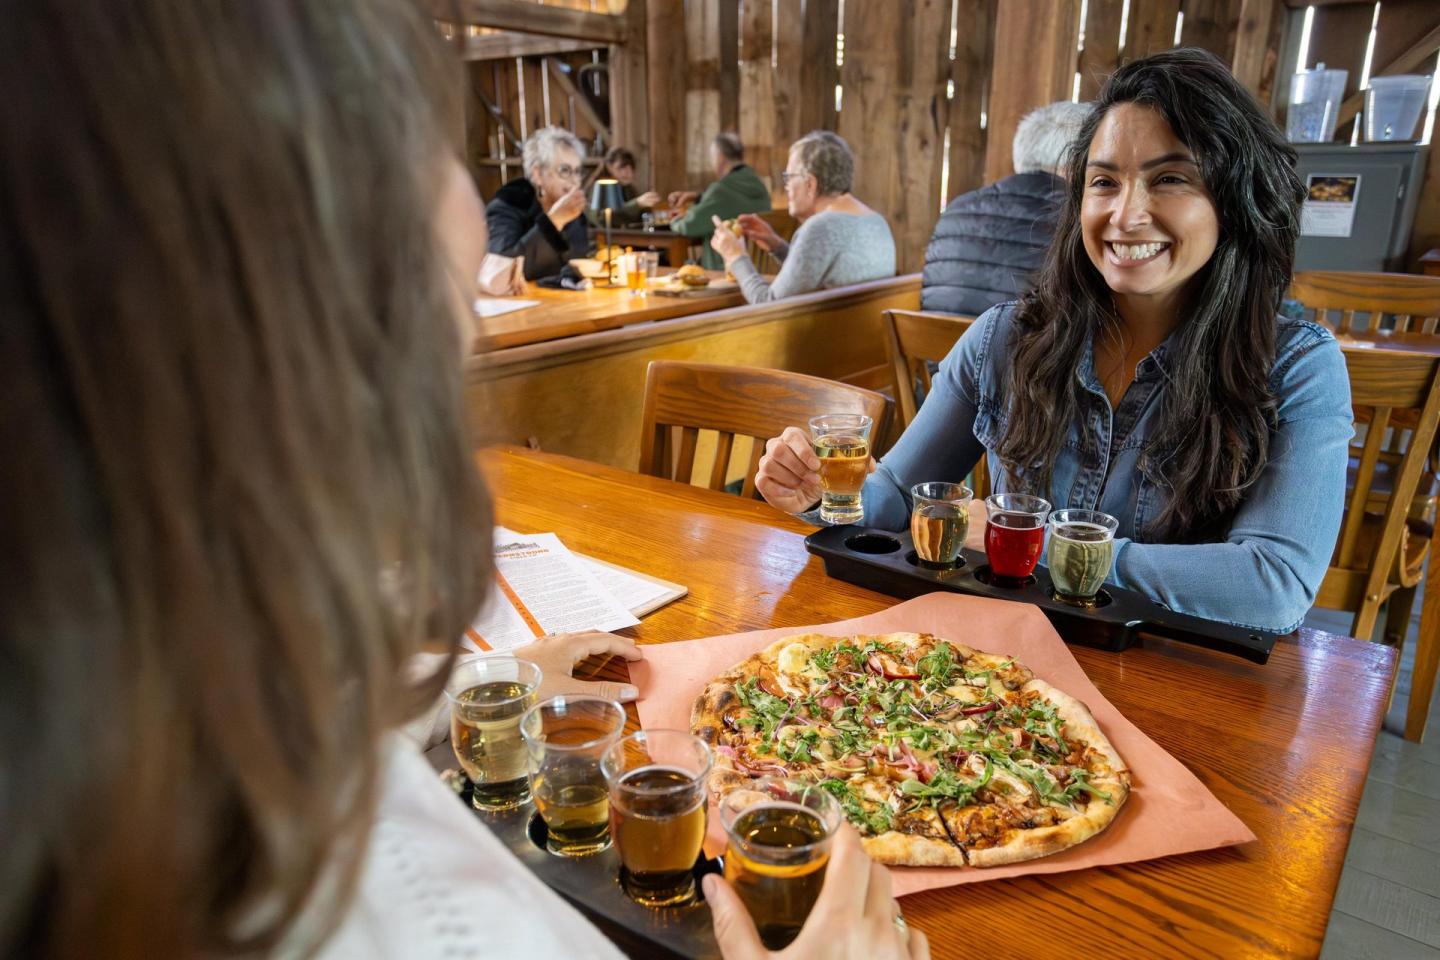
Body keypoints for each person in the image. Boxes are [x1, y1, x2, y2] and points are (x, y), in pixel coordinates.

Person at [0, 3, 928, 960]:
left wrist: (478, 692)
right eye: (425, 140)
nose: (466, 194)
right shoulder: (431, 924)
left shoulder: (123, 717)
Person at [753, 48, 1353, 635]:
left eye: (1170, 178)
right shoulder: (1002, 338)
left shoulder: (1297, 366)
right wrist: (824, 493)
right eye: (1104, 181)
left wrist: (1036, 546)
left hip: (1176, 686)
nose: (1126, 214)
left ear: (1234, 200)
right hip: (999, 676)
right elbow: (897, 497)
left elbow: (1273, 584)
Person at [922, 100, 1090, 316]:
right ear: (1075, 162)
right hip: (1018, 347)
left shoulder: (958, 208)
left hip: (937, 346)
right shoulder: (1075, 217)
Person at [712, 131, 896, 304]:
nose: (787, 186)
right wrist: (776, 245)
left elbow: (768, 304)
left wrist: (736, 256)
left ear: (810, 184)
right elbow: (816, 272)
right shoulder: (876, 221)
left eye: (789, 177)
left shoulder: (820, 227)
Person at [487, 126, 591, 281]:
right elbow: (503, 271)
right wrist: (554, 221)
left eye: (577, 172)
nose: (575, 180)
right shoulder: (509, 205)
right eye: (565, 170)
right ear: (538, 174)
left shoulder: (574, 213)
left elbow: (576, 263)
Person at [667, 132, 772, 269]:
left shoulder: (720, 191)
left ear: (720, 157)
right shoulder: (759, 186)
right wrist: (699, 197)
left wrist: (675, 219)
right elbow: (733, 202)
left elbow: (689, 225)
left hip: (727, 270)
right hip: (760, 272)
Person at [599, 146, 660, 226]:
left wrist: (646, 206)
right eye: (622, 167)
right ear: (609, 167)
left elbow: (640, 217)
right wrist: (637, 204)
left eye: (631, 167)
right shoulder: (600, 188)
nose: (629, 172)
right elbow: (603, 217)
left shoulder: (629, 189)